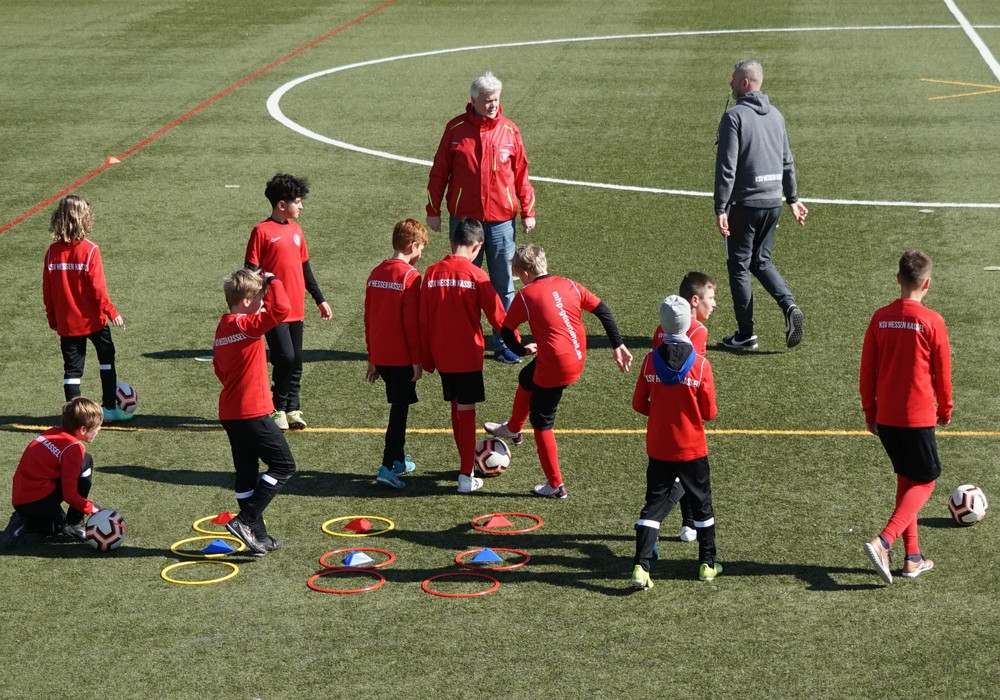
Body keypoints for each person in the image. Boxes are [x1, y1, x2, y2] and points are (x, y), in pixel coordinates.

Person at [484, 244, 632, 499]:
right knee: (526, 378)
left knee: (542, 422)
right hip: (577, 357)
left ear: (524, 273)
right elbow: (602, 310)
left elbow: (506, 331)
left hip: (555, 365)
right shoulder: (569, 284)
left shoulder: (526, 295)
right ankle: (513, 429)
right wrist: (617, 344)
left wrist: (521, 351)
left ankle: (555, 486)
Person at [426, 71, 536, 365]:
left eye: (496, 99)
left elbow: (522, 174)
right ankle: (466, 341)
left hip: (501, 223)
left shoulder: (510, 131)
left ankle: (505, 344)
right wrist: (433, 211)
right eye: (487, 100)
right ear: (473, 100)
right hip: (464, 223)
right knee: (463, 284)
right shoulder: (455, 129)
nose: (493, 105)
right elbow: (439, 172)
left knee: (503, 285)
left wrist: (528, 211)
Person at [860, 250, 952, 584]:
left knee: (907, 480)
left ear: (898, 278)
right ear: (927, 284)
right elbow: (942, 372)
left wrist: (870, 412)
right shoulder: (932, 321)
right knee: (926, 480)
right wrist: (945, 409)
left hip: (887, 418)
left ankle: (912, 558)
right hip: (917, 417)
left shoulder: (880, 318)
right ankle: (884, 541)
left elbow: (867, 369)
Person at [714, 59, 807, 351]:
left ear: (744, 83)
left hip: (744, 203)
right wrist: (792, 198)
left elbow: (727, 167)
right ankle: (789, 305)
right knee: (761, 261)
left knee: (739, 266)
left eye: (733, 79)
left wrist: (720, 207)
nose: (730, 83)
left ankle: (745, 335)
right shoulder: (776, 115)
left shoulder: (734, 117)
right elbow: (787, 161)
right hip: (773, 202)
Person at [630, 296, 720, 588]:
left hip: (659, 447)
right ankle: (707, 564)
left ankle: (641, 567)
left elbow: (639, 404)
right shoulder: (701, 365)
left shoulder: (649, 360)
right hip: (692, 448)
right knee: (702, 506)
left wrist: (661, 413)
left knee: (653, 505)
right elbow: (709, 413)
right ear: (688, 323)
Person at [420, 218, 512, 494]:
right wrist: (519, 344)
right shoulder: (477, 275)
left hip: (442, 355)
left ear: (452, 241)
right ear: (478, 246)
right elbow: (498, 317)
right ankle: (465, 475)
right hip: (468, 356)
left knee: (456, 408)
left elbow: (422, 319)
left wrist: (426, 358)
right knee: (467, 413)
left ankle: (466, 464)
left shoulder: (432, 273)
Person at [214, 268, 296, 556]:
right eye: (261, 296)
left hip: (230, 411)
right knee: (284, 466)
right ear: (247, 300)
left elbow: (219, 370)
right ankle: (246, 521)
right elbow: (282, 309)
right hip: (251, 411)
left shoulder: (223, 327)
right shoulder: (246, 325)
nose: (264, 301)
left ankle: (258, 537)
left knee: (246, 474)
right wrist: (273, 278)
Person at [245, 173, 333, 431]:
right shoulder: (261, 231)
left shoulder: (296, 230)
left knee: (296, 361)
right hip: (273, 309)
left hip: (296, 308)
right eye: (297, 201)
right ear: (281, 204)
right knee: (285, 357)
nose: (301, 206)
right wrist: (254, 303)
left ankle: (293, 408)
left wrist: (319, 299)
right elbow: (250, 271)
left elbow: (305, 268)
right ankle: (277, 408)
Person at [43, 194, 130, 422]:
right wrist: (112, 312)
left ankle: (74, 417)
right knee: (106, 359)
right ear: (84, 219)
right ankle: (109, 407)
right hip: (94, 321)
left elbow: (47, 291)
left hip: (67, 323)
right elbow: (98, 289)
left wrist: (53, 318)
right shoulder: (90, 250)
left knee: (72, 371)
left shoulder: (52, 252)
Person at [652, 271, 717, 542]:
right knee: (686, 473)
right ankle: (671, 523)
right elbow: (692, 370)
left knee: (669, 474)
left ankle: (683, 523)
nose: (714, 304)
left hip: (661, 412)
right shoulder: (698, 331)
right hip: (685, 412)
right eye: (711, 298)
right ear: (694, 301)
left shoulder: (661, 329)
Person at [364, 218, 429, 489]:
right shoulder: (411, 277)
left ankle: (399, 461)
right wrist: (416, 360)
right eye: (421, 248)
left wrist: (372, 358)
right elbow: (411, 323)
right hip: (402, 357)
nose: (421, 253)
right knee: (399, 412)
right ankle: (387, 466)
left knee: (399, 406)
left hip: (382, 356)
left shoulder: (376, 272)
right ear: (412, 246)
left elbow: (369, 317)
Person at [0, 397, 104, 551]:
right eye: (98, 426)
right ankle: (71, 523)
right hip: (38, 500)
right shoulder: (73, 448)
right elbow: (70, 495)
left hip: (22, 496)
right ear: (83, 429)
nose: (100, 429)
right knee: (86, 461)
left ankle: (26, 518)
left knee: (54, 527)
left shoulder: (53, 432)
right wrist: (92, 508)